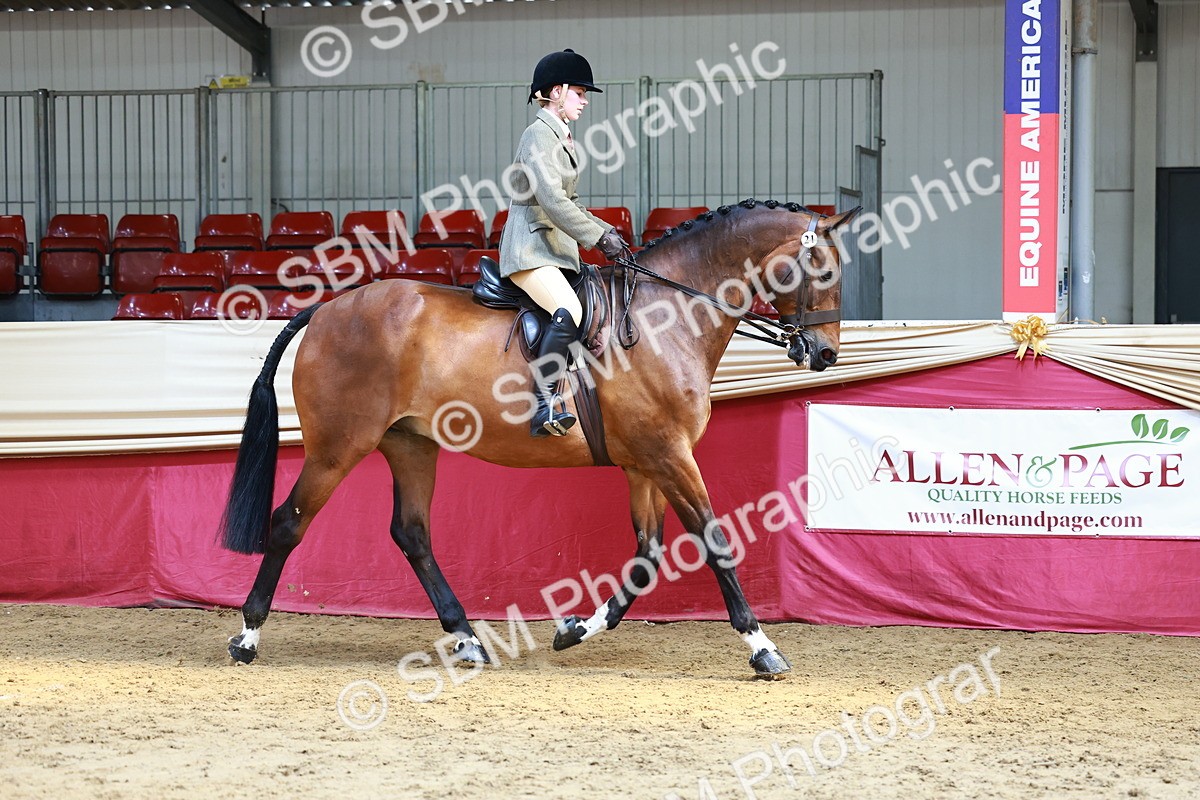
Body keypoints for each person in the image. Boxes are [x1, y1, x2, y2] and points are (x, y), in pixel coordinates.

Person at [499, 48, 630, 438]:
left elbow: (571, 202)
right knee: (569, 308)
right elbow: (553, 202)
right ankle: (542, 403)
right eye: (579, 92)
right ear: (555, 91)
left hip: (554, 250)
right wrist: (596, 237)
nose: (585, 101)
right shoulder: (538, 134)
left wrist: (607, 232)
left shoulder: (562, 136)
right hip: (530, 251)